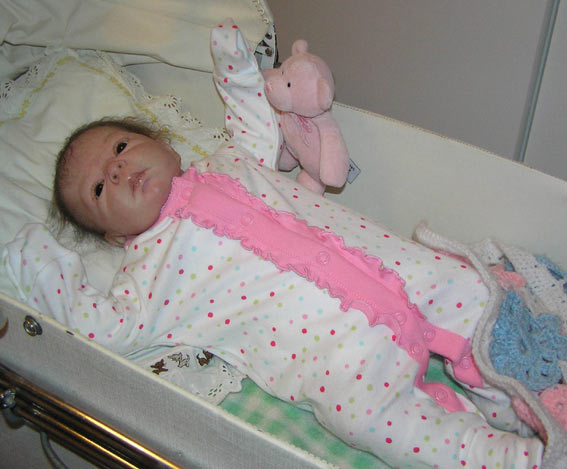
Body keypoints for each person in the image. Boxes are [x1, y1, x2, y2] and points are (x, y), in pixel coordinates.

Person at [9, 20, 545, 468]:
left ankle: (525, 395)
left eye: (121, 147)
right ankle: (512, 457)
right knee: (372, 422)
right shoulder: (146, 275)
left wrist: (238, 71)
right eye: (98, 188)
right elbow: (105, 329)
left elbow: (254, 124)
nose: (117, 169)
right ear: (114, 235)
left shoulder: (228, 162)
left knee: (465, 289)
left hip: (392, 270)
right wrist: (38, 261)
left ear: (164, 145)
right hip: (340, 358)